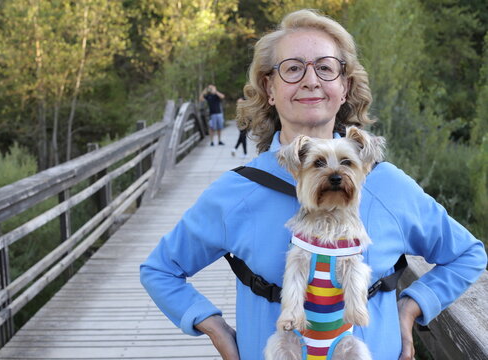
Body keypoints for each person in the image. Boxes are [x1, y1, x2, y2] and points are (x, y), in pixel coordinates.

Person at [140, 9, 487, 360]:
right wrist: (214, 328)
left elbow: (468, 254)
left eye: (325, 67)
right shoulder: (237, 192)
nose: (310, 80)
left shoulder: (387, 185)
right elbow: (160, 270)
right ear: (269, 89)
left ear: (344, 87)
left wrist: (411, 307)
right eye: (292, 68)